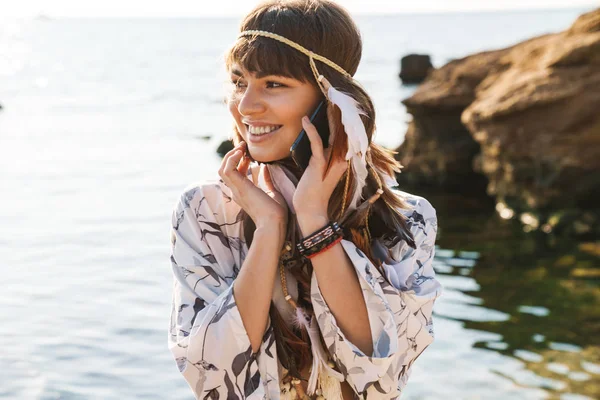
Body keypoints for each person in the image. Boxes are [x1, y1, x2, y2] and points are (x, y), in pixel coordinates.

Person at [168, 1, 443, 399]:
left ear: (329, 100)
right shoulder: (205, 211)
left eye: (273, 84)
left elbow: (379, 375)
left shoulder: (405, 219)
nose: (246, 106)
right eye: (240, 82)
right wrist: (269, 228)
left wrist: (314, 220)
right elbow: (212, 373)